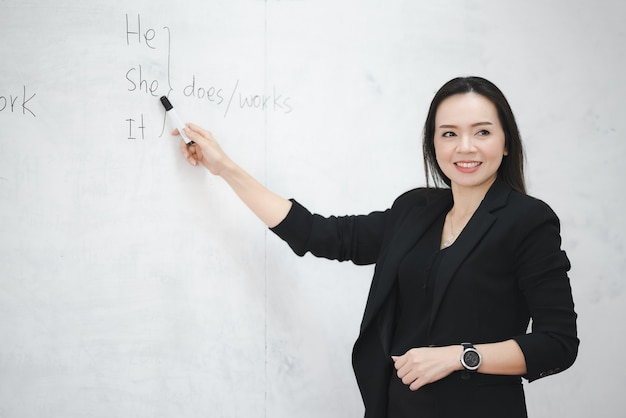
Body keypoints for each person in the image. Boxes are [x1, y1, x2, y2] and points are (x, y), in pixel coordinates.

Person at [174, 76, 579, 417]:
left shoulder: (528, 220)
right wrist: (225, 168)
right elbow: (317, 233)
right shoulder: (415, 210)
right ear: (433, 144)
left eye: (483, 132)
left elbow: (558, 345)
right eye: (449, 133)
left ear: (506, 142)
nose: (465, 147)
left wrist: (460, 356)